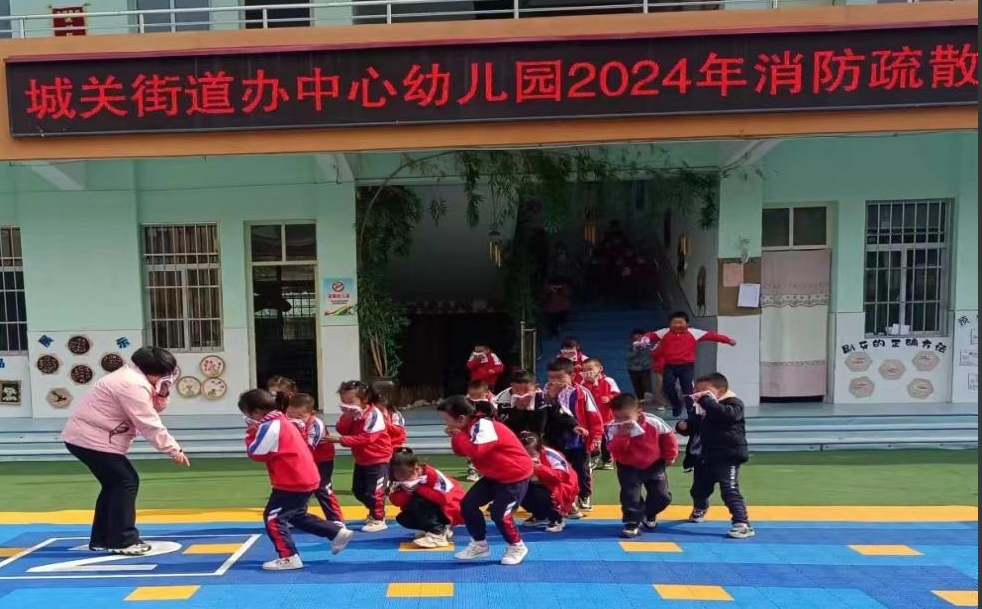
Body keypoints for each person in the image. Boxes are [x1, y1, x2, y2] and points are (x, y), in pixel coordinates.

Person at [61, 346, 190, 556]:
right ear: (151, 371)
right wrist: (173, 448)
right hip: (92, 439)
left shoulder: (134, 377)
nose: (167, 377)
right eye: (164, 374)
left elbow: (152, 407)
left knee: (114, 485)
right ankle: (122, 540)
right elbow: (147, 420)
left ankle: (103, 539)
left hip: (87, 438)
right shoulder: (132, 384)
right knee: (125, 482)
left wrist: (163, 391)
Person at [239, 389, 353, 570]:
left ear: (256, 412)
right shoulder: (281, 420)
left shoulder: (270, 425)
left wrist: (252, 431)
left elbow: (256, 453)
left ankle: (289, 557)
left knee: (273, 517)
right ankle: (336, 532)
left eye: (247, 414)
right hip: (304, 475)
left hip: (292, 479)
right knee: (296, 515)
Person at [438, 395, 533, 566]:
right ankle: (479, 544)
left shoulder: (484, 426)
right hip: (495, 475)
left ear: (461, 418)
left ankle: (517, 546)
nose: (445, 423)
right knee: (468, 504)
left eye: (447, 419)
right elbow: (461, 451)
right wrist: (457, 436)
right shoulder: (469, 427)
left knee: (500, 514)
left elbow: (475, 451)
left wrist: (459, 435)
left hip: (514, 476)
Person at [676, 372, 754, 539]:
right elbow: (695, 425)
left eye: (705, 390)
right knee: (699, 489)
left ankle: (742, 523)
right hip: (705, 456)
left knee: (729, 489)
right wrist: (684, 426)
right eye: (697, 390)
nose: (700, 394)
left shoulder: (734, 403)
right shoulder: (702, 407)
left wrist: (706, 401)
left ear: (720, 390)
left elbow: (727, 414)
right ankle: (700, 508)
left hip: (728, 455)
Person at [323, 380, 394, 533]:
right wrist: (347, 416)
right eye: (343, 401)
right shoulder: (353, 413)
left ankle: (378, 518)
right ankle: (376, 510)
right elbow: (342, 429)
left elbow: (367, 438)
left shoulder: (374, 414)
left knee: (374, 492)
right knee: (358, 490)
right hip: (362, 458)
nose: (346, 405)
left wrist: (340, 440)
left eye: (350, 401)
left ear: (365, 399)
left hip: (379, 458)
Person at [636, 311, 737, 418]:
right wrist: (644, 340)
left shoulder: (694, 333)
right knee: (667, 387)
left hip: (686, 367)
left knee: (687, 389)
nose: (677, 325)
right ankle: (676, 405)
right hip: (669, 366)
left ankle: (691, 410)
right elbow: (651, 335)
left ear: (687, 324)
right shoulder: (664, 332)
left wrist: (728, 340)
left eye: (680, 323)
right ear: (669, 324)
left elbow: (712, 336)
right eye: (674, 323)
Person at [606, 393, 678, 539]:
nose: (622, 421)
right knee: (630, 496)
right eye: (617, 417)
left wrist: (670, 456)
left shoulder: (653, 422)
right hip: (628, 466)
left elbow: (669, 438)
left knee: (662, 497)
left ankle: (649, 514)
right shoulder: (613, 427)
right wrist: (622, 435)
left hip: (654, 464)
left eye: (626, 417)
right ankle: (631, 523)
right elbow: (613, 449)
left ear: (639, 411)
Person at [543, 358, 603, 515]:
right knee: (556, 470)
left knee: (581, 469)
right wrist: (550, 397)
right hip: (554, 438)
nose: (555, 381)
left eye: (560, 377)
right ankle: (559, 498)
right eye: (551, 377)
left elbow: (594, 416)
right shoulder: (544, 393)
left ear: (572, 376)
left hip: (579, 439)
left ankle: (584, 495)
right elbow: (543, 414)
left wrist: (596, 437)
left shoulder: (582, 393)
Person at [285, 393, 345, 525]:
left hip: (321, 460)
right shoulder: (286, 420)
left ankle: (336, 519)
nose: (295, 418)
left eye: (300, 416)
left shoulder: (316, 425)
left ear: (311, 413)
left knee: (322, 488)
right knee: (299, 488)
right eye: (291, 415)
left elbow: (307, 447)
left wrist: (299, 429)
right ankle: (297, 516)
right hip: (300, 461)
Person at [388, 448, 464, 549]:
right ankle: (439, 529)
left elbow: (445, 499)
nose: (401, 478)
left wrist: (419, 489)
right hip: (435, 509)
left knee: (419, 502)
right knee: (403, 518)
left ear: (416, 469)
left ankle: (437, 534)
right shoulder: (397, 480)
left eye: (405, 475)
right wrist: (406, 492)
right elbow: (397, 502)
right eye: (397, 475)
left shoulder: (433, 475)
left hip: (453, 509)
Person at [518, 432, 578, 533]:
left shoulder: (550, 454)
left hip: (563, 486)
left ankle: (557, 518)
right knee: (517, 489)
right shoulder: (518, 456)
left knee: (540, 494)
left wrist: (539, 468)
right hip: (541, 483)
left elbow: (563, 475)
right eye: (525, 452)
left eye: (531, 453)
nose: (528, 455)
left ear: (539, 448)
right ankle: (541, 516)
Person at [581, 357, 621, 470]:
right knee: (592, 440)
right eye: (585, 370)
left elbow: (618, 395)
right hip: (591, 419)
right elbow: (584, 396)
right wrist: (593, 384)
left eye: (590, 369)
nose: (588, 372)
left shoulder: (609, 381)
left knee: (606, 441)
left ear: (600, 369)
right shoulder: (583, 383)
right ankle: (593, 457)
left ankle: (607, 460)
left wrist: (610, 398)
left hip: (607, 419)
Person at [465, 380, 497, 482]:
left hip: (489, 429)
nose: (475, 398)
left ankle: (489, 471)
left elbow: (495, 415)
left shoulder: (493, 400)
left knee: (489, 452)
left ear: (486, 393)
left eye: (478, 395)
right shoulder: (465, 401)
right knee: (472, 449)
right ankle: (473, 470)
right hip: (471, 429)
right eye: (472, 395)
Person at [626, 329, 653, 399]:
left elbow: (653, 355)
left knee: (647, 387)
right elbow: (629, 356)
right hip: (633, 370)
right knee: (637, 387)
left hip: (645, 369)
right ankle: (640, 400)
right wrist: (635, 349)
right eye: (635, 338)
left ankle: (648, 400)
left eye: (640, 338)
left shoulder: (649, 346)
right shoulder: (630, 347)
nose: (638, 340)